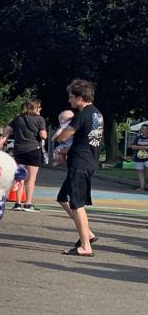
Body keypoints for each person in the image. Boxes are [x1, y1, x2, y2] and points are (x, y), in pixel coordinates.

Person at [55, 79, 103, 257]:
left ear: (80, 98)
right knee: (62, 198)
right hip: (89, 159)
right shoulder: (97, 114)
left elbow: (62, 137)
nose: (69, 101)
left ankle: (85, 245)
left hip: (80, 163)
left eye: (71, 98)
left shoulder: (81, 115)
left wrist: (60, 136)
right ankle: (87, 234)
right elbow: (87, 138)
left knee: (77, 204)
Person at [0, 99, 47, 211]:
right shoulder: (40, 119)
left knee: (20, 177)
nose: (40, 109)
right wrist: (41, 133)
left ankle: (18, 203)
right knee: (31, 179)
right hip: (34, 150)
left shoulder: (18, 118)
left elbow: (7, 129)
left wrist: (3, 139)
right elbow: (43, 135)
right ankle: (28, 203)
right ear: (33, 108)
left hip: (19, 151)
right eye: (38, 107)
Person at [129, 125, 148, 192]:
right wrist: (142, 147)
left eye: (145, 129)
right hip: (138, 158)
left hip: (147, 158)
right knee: (140, 172)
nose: (144, 130)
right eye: (143, 129)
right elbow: (133, 146)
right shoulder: (137, 138)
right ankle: (142, 187)